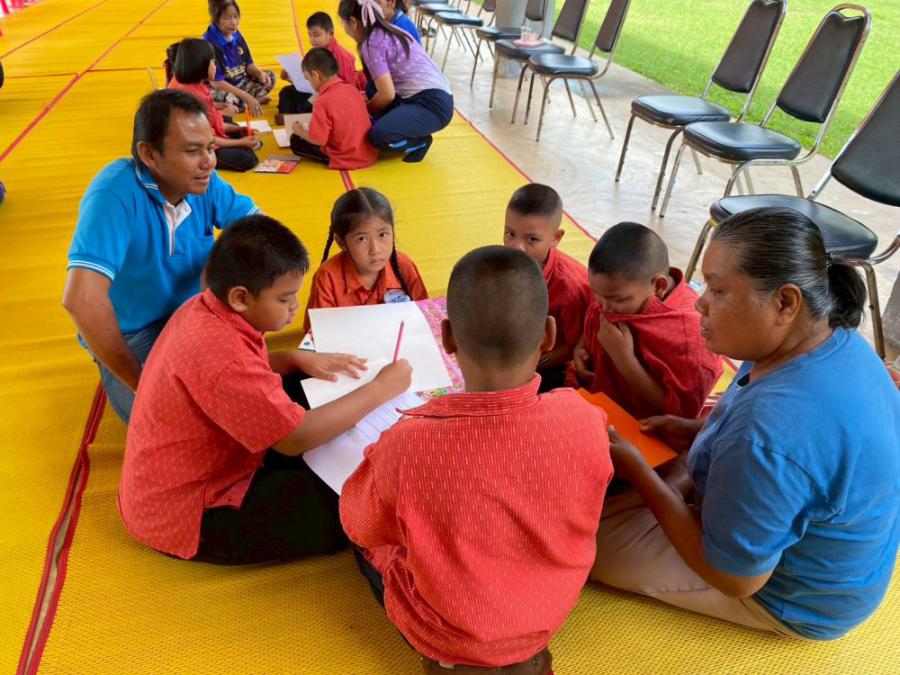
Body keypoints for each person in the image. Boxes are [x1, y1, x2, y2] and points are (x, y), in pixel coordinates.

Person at [591, 207, 900, 640]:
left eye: (717, 289)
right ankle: (678, 481)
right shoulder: (826, 336)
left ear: (785, 302)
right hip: (852, 568)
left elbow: (736, 578)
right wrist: (697, 430)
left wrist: (643, 477)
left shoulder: (767, 430)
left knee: (585, 541)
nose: (699, 301)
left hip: (798, 598)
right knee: (643, 492)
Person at [340, 246, 614, 673]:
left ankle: (448, 659)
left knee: (371, 544)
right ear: (548, 335)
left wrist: (380, 458)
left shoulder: (410, 444)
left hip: (450, 630)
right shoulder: (585, 420)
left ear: (447, 337)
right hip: (545, 614)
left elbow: (360, 524)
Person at [119, 215, 412, 565]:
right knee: (347, 506)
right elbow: (293, 438)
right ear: (241, 298)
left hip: (193, 466)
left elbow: (234, 372)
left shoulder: (204, 307)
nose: (295, 308)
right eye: (285, 299)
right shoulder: (222, 356)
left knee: (308, 392)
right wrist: (380, 388)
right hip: (188, 511)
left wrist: (291, 358)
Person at [62, 90, 258, 423]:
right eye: (193, 151)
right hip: (135, 333)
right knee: (174, 426)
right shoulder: (114, 193)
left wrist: (216, 269)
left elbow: (258, 230)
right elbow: (81, 300)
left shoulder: (204, 181)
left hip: (195, 314)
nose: (209, 161)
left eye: (210, 147)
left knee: (243, 400)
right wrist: (142, 382)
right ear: (149, 154)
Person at [574, 222, 722, 419]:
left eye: (618, 300)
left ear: (659, 286)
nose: (604, 308)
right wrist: (581, 347)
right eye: (596, 294)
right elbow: (597, 310)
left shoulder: (691, 337)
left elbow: (679, 414)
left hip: (639, 427)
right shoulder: (615, 292)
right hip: (595, 402)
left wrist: (623, 359)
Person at [338, 0, 453, 163]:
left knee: (379, 136)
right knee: (371, 88)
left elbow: (387, 95)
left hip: (433, 105)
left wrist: (365, 110)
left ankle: (420, 142)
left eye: (343, 23)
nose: (344, 28)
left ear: (353, 22)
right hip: (422, 97)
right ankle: (397, 122)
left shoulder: (372, 44)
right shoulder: (384, 31)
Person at [503, 183, 591, 391]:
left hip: (552, 364)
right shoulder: (507, 261)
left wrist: (529, 366)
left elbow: (573, 346)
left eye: (532, 239)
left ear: (555, 238)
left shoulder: (571, 287)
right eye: (510, 234)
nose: (517, 248)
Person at [304, 188, 427, 330]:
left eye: (382, 234)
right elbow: (318, 334)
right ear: (341, 242)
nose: (375, 250)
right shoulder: (327, 278)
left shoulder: (404, 265)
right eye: (362, 239)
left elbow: (424, 317)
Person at [168, 38, 260, 172]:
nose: (216, 67)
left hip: (204, 133)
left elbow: (212, 119)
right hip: (195, 144)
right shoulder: (190, 96)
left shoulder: (195, 83)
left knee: (238, 132)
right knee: (248, 159)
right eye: (213, 62)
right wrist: (240, 142)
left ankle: (236, 140)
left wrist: (236, 129)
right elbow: (205, 137)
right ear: (200, 65)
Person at [288, 48, 378, 170]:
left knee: (296, 140)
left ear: (315, 75)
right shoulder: (352, 89)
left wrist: (299, 131)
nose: (309, 83)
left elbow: (318, 140)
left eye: (308, 79)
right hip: (367, 153)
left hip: (346, 157)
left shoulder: (322, 101)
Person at [277, 12, 360, 118]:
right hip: (316, 90)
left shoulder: (342, 57)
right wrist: (292, 78)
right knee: (286, 92)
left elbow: (347, 90)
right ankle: (287, 116)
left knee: (305, 105)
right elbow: (309, 80)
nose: (312, 39)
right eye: (310, 35)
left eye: (316, 35)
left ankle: (294, 118)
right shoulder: (316, 52)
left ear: (330, 33)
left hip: (332, 97)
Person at [202, 0, 273, 117]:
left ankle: (244, 103)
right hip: (222, 88)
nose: (234, 22)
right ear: (216, 19)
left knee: (269, 76)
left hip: (240, 83)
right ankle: (245, 103)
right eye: (227, 18)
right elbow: (216, 82)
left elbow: (248, 64)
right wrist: (246, 96)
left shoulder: (236, 34)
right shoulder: (210, 42)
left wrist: (259, 73)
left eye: (235, 16)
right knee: (227, 98)